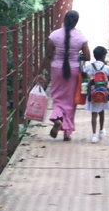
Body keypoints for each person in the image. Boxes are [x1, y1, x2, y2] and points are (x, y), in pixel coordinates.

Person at [35, 10, 90, 141]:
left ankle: (58, 118)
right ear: (76, 21)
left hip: (56, 69)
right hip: (74, 70)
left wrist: (39, 72)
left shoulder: (54, 35)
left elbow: (48, 55)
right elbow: (87, 56)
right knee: (71, 101)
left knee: (57, 97)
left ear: (64, 19)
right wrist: (76, 55)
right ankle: (67, 132)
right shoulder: (80, 37)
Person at [84, 46, 109, 143]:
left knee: (94, 114)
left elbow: (84, 73)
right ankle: (101, 130)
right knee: (102, 112)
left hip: (93, 93)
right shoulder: (106, 67)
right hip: (103, 92)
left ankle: (94, 135)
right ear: (103, 56)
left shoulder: (90, 66)